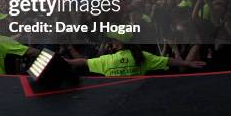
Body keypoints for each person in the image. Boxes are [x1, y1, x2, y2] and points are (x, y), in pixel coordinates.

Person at [65, 33, 207, 76]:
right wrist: (187, 63)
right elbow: (168, 61)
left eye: (113, 40)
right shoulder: (142, 56)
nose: (111, 42)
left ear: (118, 43)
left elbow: (83, 62)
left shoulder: (107, 60)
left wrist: (66, 61)